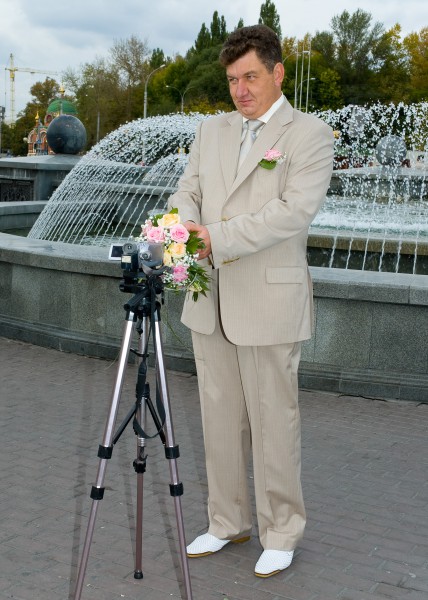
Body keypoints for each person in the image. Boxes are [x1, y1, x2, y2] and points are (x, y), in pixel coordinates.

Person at [167, 24, 334, 578]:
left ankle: (282, 531)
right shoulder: (210, 130)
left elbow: (291, 213)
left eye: (252, 77)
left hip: (268, 303)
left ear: (278, 73)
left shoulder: (310, 135)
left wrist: (214, 238)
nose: (241, 90)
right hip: (208, 299)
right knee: (218, 420)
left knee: (273, 423)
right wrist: (183, 226)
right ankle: (226, 522)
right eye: (233, 80)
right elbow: (187, 190)